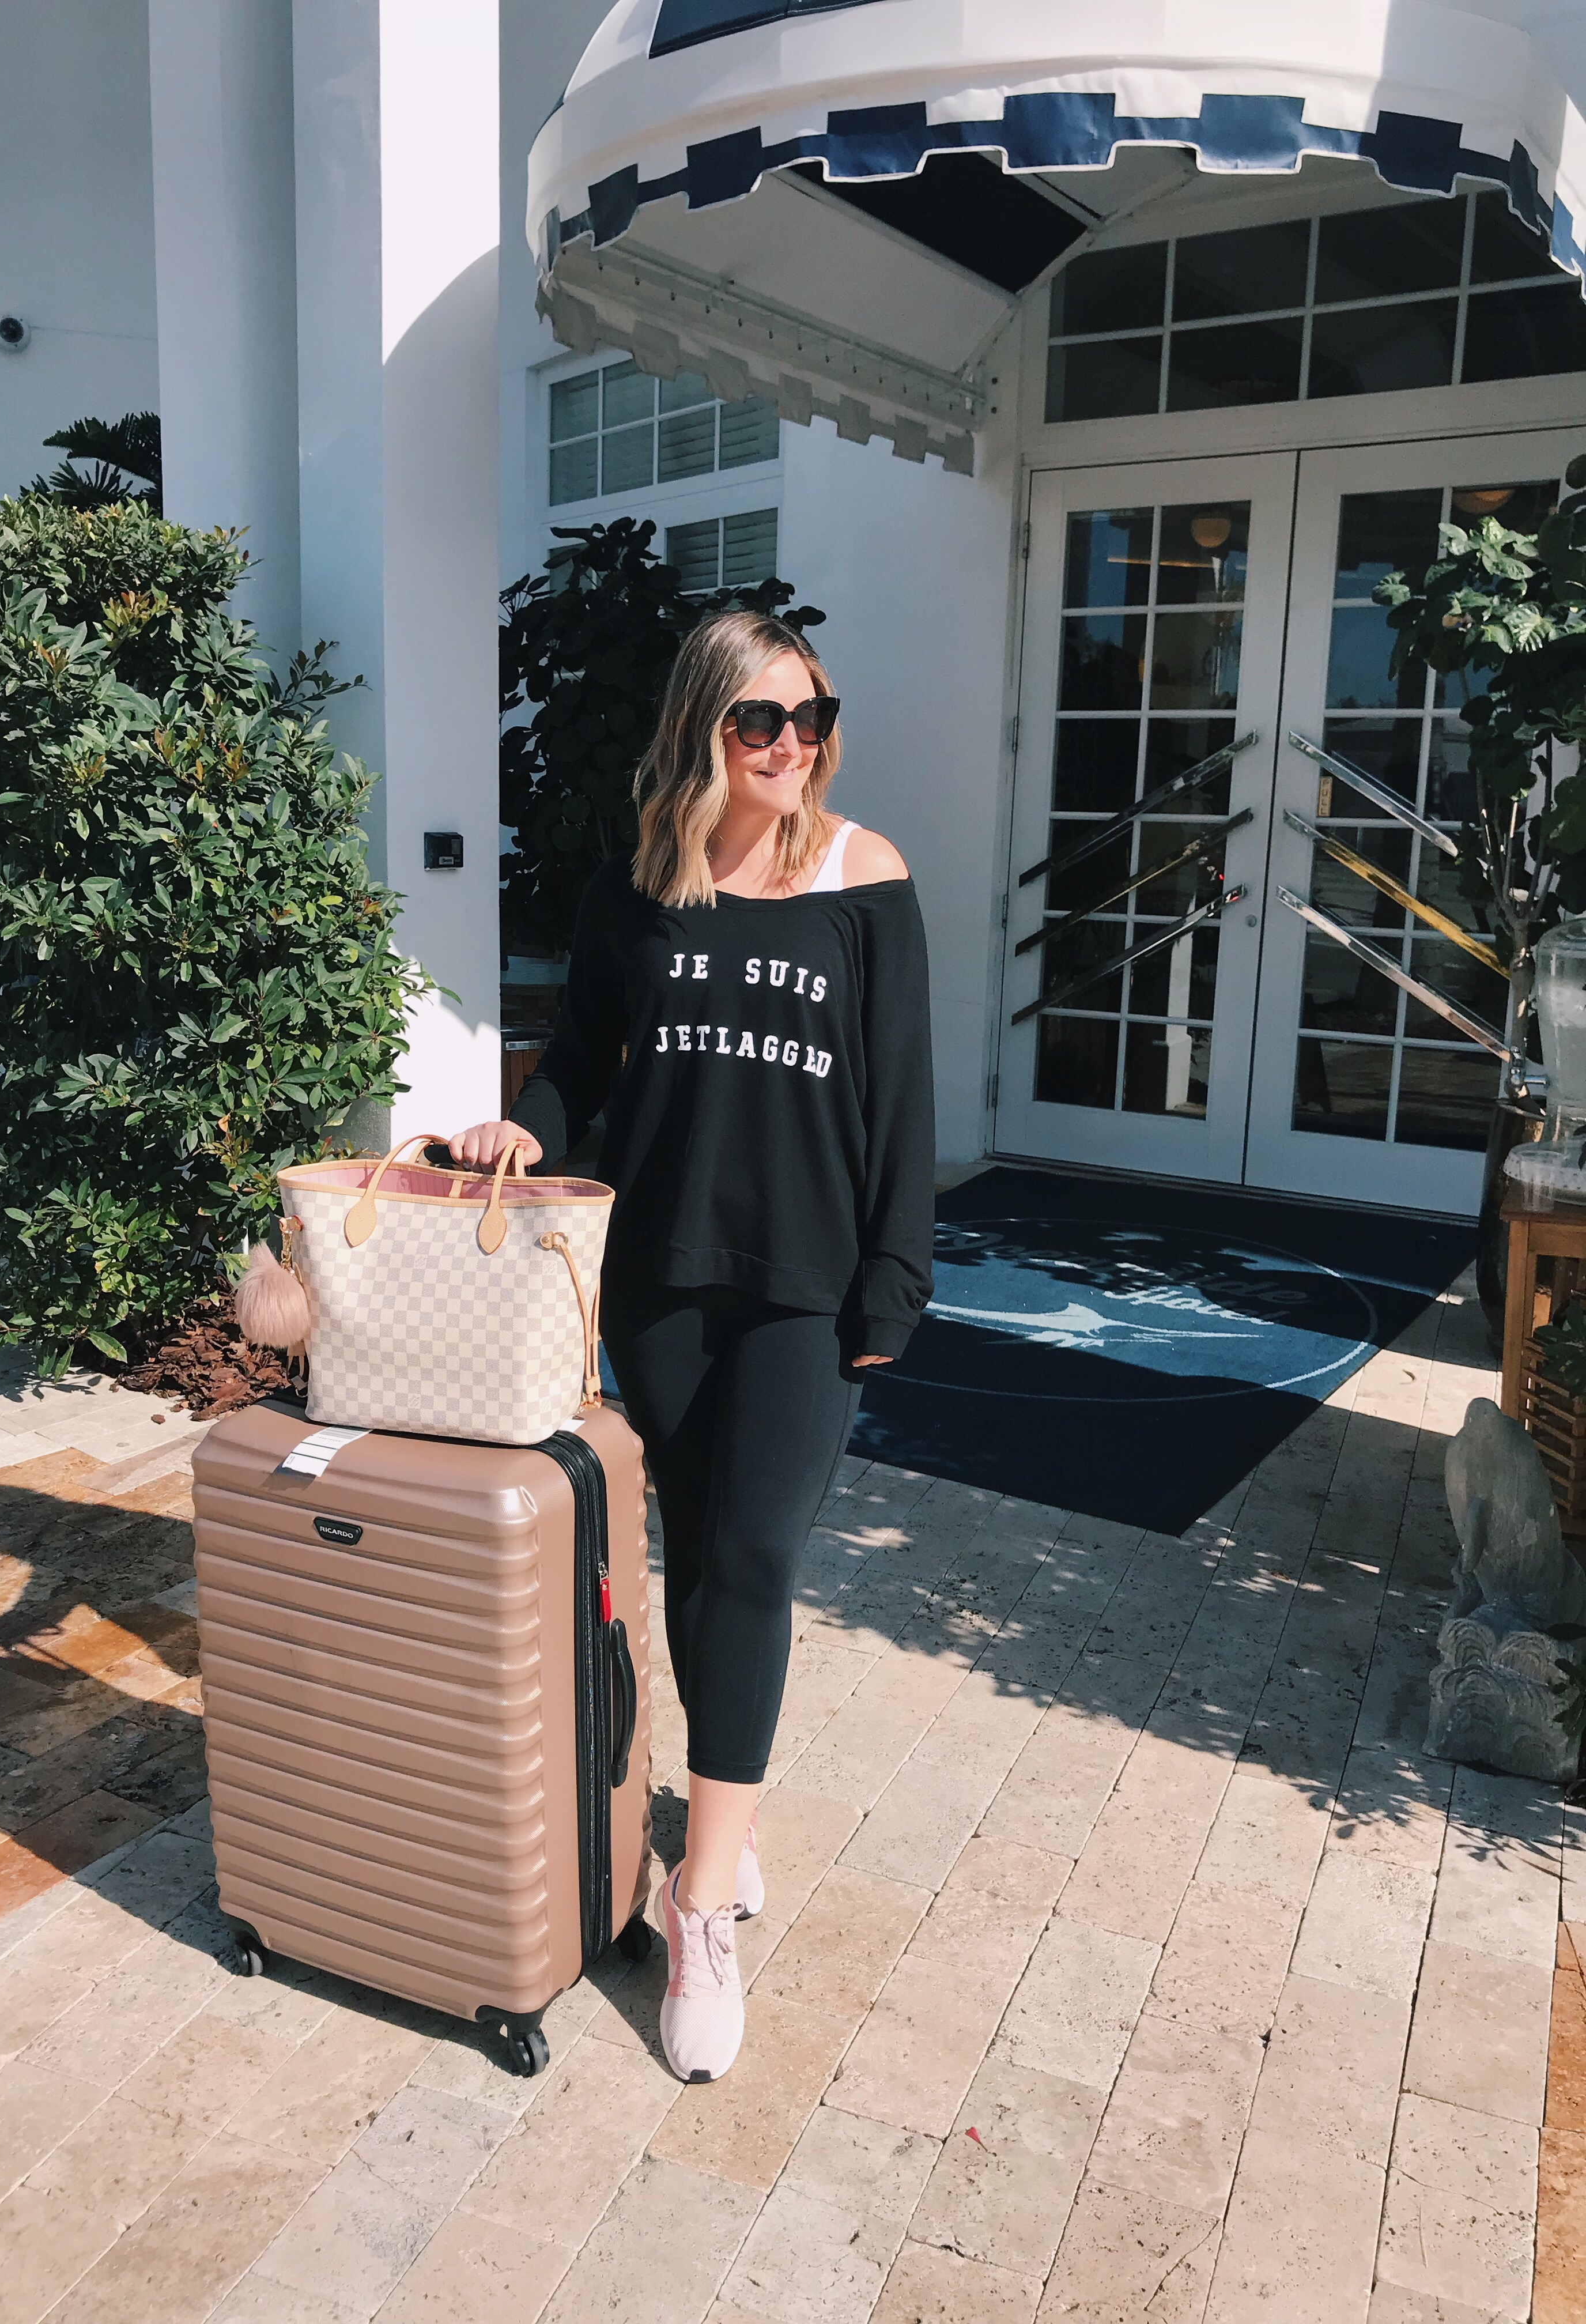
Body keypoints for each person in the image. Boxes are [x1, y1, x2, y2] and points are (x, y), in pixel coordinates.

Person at [450, 608, 933, 2082]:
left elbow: (903, 1101)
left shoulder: (862, 876)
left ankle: (701, 1901)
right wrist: (520, 1131)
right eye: (760, 719)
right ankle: (729, 1812)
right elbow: (582, 1065)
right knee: (698, 1558)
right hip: (656, 1280)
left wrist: (894, 1286)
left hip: (805, 1287)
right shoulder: (638, 889)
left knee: (760, 1560)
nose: (792, 744)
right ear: (703, 727)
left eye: (811, 717)